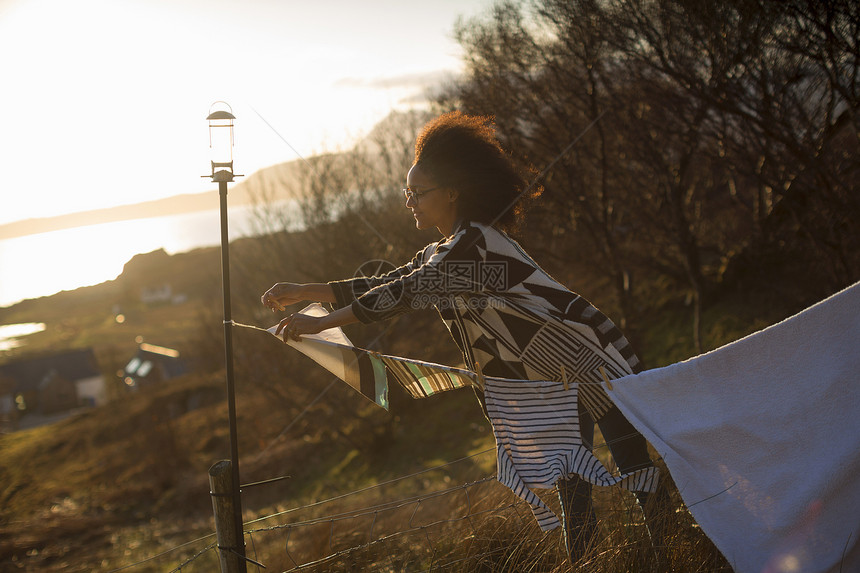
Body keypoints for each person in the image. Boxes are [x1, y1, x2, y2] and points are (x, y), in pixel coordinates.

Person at [261, 111, 665, 562]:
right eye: (406, 192)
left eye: (417, 193)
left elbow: (404, 292)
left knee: (637, 473)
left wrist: (319, 323)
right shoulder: (444, 248)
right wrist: (304, 291)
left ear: (451, 193)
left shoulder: (472, 248)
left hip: (591, 360)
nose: (409, 201)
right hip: (552, 380)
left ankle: (671, 557)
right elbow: (389, 281)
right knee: (573, 489)